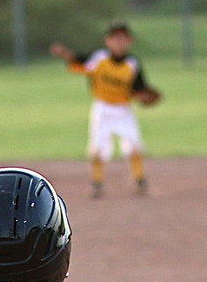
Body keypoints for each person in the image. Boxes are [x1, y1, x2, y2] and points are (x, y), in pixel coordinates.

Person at [50, 22, 161, 198]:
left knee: (134, 144)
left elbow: (138, 89)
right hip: (102, 108)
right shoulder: (99, 58)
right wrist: (63, 53)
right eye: (115, 38)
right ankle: (97, 183)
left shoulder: (133, 64)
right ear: (107, 41)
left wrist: (144, 96)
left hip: (124, 110)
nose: (119, 42)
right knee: (98, 148)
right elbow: (78, 60)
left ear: (130, 41)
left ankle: (139, 179)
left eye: (123, 38)